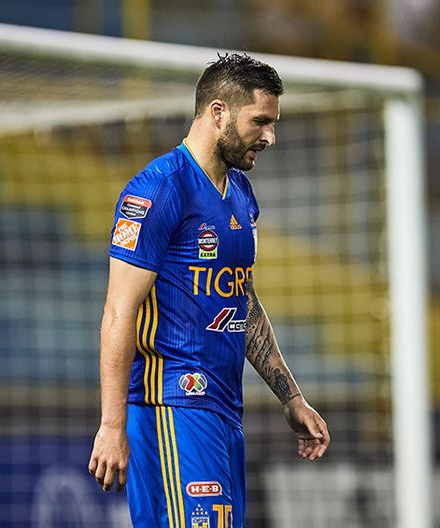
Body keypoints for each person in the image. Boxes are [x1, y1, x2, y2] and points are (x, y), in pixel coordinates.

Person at [88, 53, 330, 528]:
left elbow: (242, 299)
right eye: (260, 121)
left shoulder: (241, 194)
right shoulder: (158, 189)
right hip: (172, 406)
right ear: (218, 112)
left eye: (273, 123)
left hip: (223, 410)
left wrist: (291, 397)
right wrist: (112, 424)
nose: (270, 137)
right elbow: (118, 311)